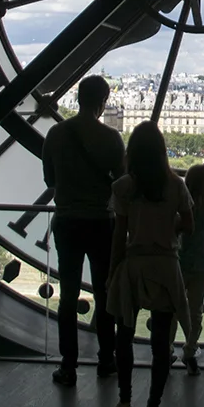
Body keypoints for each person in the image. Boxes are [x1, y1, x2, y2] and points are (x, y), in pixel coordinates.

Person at [104, 123, 194, 407]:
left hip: (134, 265)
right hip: (166, 266)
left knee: (124, 337)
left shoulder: (124, 188)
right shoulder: (177, 186)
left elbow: (119, 235)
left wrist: (113, 270)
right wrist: (170, 228)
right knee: (161, 346)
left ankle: (125, 400)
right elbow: (190, 225)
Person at [42, 75, 124, 386]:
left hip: (68, 221)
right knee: (105, 294)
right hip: (102, 223)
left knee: (68, 296)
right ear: (103, 102)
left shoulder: (57, 135)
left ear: (78, 98)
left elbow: (50, 180)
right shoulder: (112, 139)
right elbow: (122, 184)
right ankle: (106, 359)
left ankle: (69, 364)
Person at [171, 161, 204, 374]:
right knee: (195, 311)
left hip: (181, 260)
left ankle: (165, 351)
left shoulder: (183, 202)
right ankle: (190, 350)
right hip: (201, 262)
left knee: (172, 308)